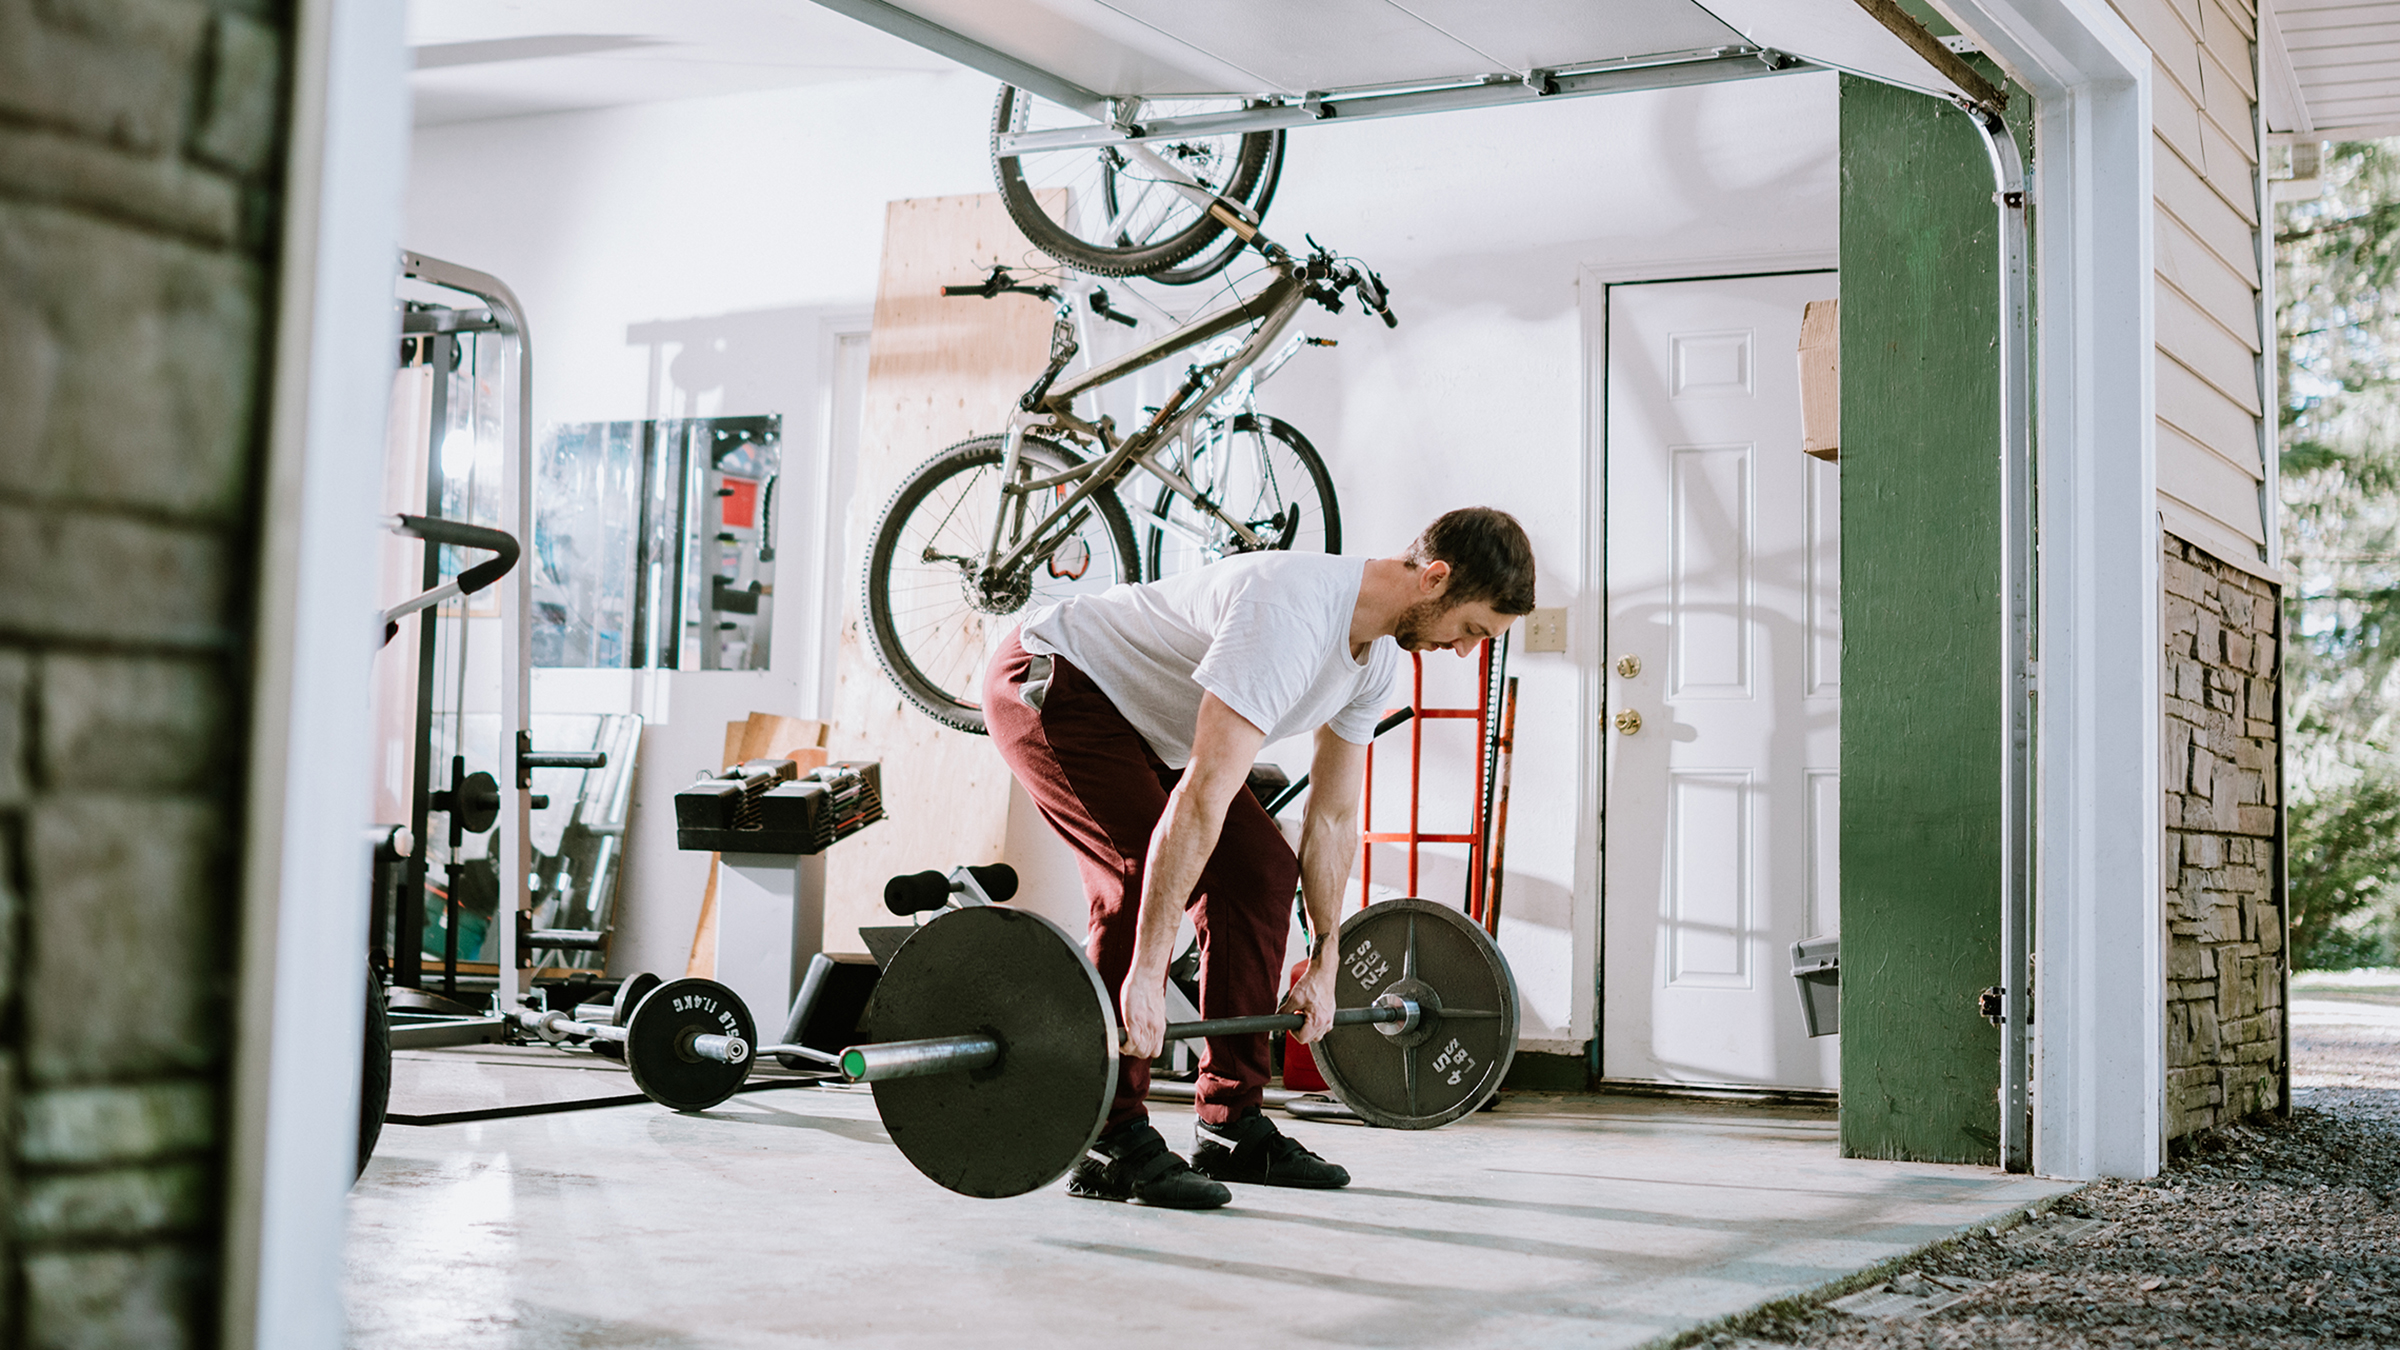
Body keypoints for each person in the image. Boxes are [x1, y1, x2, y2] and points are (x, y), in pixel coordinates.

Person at [983, 506, 1537, 1208]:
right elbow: (1202, 796)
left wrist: (1327, 959)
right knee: (1135, 870)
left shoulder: (1375, 662)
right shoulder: (1291, 612)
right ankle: (1107, 1137)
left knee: (1259, 873)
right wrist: (1148, 969)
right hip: (1057, 679)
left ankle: (1230, 1123)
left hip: (1150, 728)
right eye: (1472, 630)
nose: (1463, 650)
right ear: (1435, 578)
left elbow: (1333, 817)